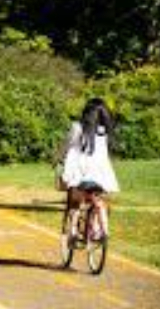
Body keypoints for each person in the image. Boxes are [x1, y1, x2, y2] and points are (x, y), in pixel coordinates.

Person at [55, 97, 119, 240]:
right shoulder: (105, 131)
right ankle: (99, 230)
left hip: (80, 175)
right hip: (103, 177)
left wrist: (57, 159)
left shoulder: (77, 127)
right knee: (99, 201)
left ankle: (72, 232)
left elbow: (66, 146)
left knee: (75, 203)